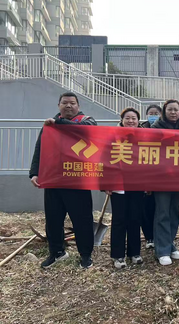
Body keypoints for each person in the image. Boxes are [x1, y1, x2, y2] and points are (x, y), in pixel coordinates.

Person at [29, 92, 97, 269]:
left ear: (78, 106)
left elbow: (84, 131)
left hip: (78, 180)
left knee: (82, 219)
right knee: (53, 219)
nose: (68, 106)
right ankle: (57, 252)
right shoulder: (50, 126)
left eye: (72, 103)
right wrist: (34, 173)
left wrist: (58, 123)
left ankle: (85, 255)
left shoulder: (87, 121)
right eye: (65, 103)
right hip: (54, 179)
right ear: (59, 105)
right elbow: (40, 148)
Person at [150, 99, 179, 265]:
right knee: (163, 212)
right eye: (170, 109)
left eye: (176, 110)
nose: (173, 112)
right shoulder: (155, 129)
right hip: (161, 177)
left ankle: (170, 244)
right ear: (164, 112)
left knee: (174, 211)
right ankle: (162, 250)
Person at [107, 107, 144, 269]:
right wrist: (106, 183)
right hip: (118, 184)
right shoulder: (112, 136)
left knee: (135, 218)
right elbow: (105, 160)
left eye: (134, 118)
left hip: (137, 183)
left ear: (138, 121)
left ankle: (134, 253)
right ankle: (118, 255)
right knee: (119, 219)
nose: (130, 121)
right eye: (127, 118)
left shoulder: (145, 137)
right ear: (122, 120)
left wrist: (149, 183)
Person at [140, 104, 161, 249]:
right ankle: (149, 237)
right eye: (151, 113)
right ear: (146, 115)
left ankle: (159, 235)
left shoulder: (164, 128)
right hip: (144, 174)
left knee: (159, 208)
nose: (153, 116)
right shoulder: (140, 129)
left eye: (156, 113)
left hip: (160, 174)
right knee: (145, 208)